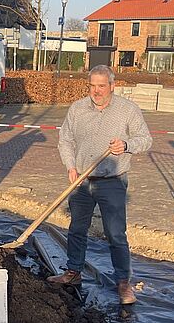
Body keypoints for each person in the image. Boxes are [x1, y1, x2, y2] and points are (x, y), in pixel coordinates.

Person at [50, 65, 152, 305]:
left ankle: (123, 283)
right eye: (92, 86)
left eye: (101, 86)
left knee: (116, 234)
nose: (96, 91)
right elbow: (65, 140)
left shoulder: (127, 110)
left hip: (112, 182)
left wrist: (126, 145)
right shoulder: (77, 109)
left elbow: (145, 140)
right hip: (83, 181)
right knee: (76, 229)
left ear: (112, 86)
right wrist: (71, 167)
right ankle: (73, 272)